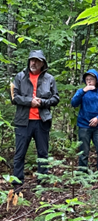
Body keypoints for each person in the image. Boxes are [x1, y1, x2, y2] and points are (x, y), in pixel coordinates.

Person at [11, 50, 59, 187]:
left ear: (43, 63)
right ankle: (17, 183)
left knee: (43, 153)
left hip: (42, 121)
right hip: (23, 122)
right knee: (20, 153)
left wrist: (42, 102)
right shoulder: (20, 77)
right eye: (32, 60)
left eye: (37, 60)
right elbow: (14, 97)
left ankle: (42, 181)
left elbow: (55, 98)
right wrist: (29, 101)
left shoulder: (49, 79)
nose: (34, 62)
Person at [71, 69, 98, 172]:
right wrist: (83, 91)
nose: (89, 81)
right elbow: (74, 103)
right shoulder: (81, 92)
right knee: (84, 151)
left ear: (96, 80)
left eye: (91, 79)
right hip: (84, 125)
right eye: (87, 79)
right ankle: (82, 172)